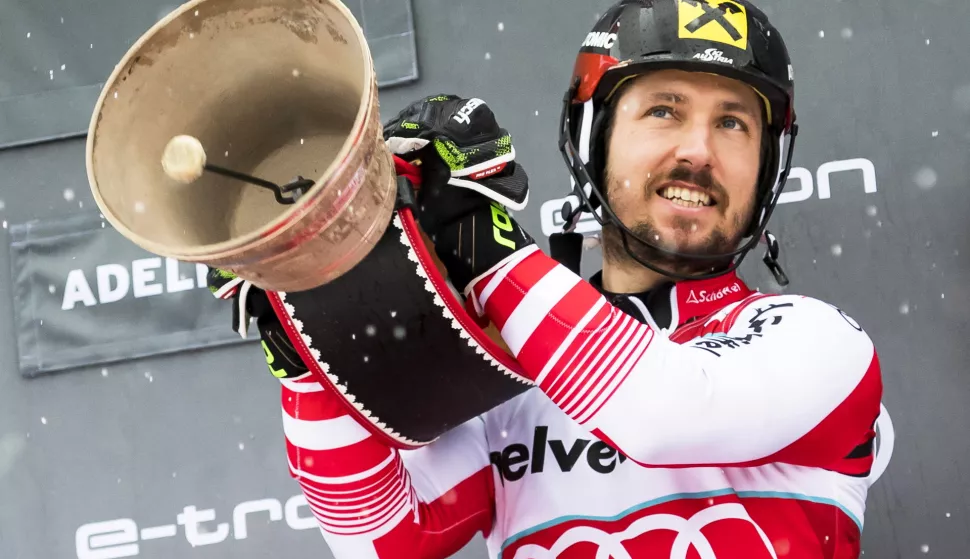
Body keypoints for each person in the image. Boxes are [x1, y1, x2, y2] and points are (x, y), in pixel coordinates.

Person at [210, 1, 884, 557]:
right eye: (664, 110)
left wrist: (486, 246)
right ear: (592, 138)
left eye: (732, 123)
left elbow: (665, 414)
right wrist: (308, 338)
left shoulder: (818, 342)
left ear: (766, 166)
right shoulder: (508, 372)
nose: (698, 151)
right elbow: (383, 537)